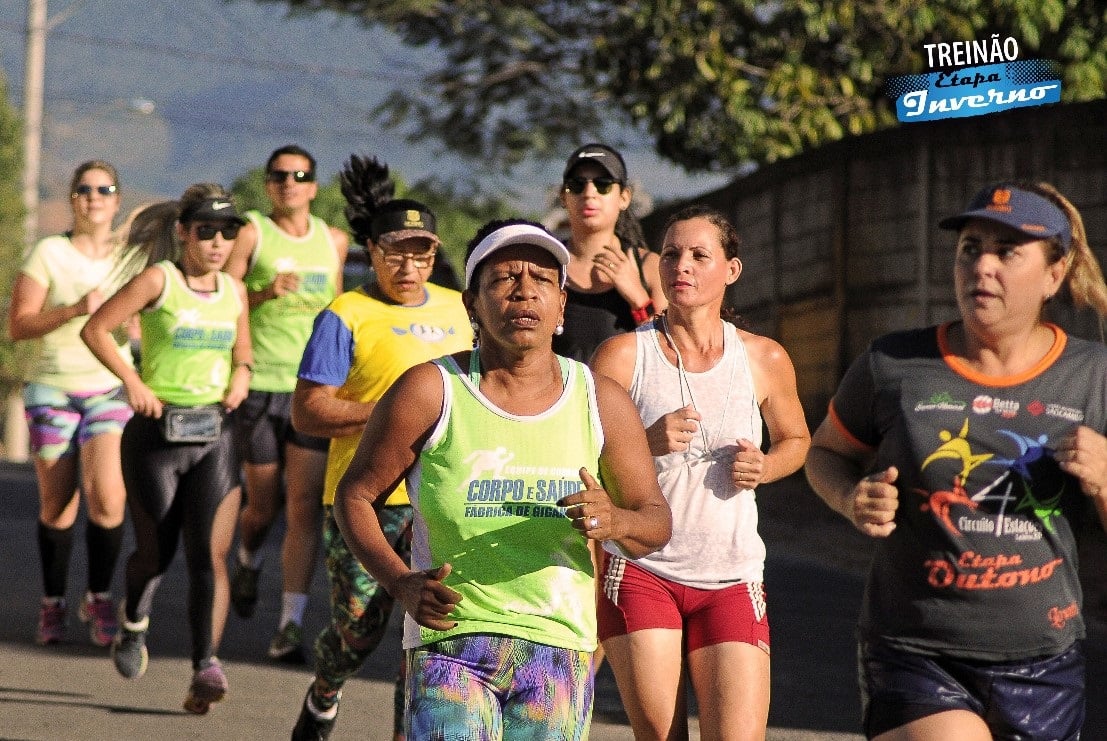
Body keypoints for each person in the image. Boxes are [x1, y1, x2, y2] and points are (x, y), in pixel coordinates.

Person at [333, 218, 673, 739]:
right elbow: (354, 495)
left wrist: (615, 518)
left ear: (562, 305)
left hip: (557, 649)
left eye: (541, 279)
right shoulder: (431, 389)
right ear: (472, 304)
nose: (524, 291)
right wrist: (399, 580)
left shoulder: (599, 399)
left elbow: (655, 524)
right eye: (504, 278)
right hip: (451, 644)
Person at [804, 181, 1107, 740]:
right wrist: (851, 498)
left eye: (1007, 251)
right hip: (916, 655)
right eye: (970, 248)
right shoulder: (893, 364)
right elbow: (824, 452)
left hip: (1045, 662)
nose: (981, 266)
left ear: (1054, 274)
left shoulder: (1094, 377)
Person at [590, 204, 811, 740]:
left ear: (731, 271)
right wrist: (646, 443)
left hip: (731, 575)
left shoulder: (763, 358)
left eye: (698, 255)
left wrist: (764, 466)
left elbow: (798, 440)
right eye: (670, 254)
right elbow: (578, 458)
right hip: (642, 570)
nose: (681, 266)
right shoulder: (623, 357)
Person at [289, 155, 473, 741]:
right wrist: (392, 418)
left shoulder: (460, 309)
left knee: (425, 629)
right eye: (395, 251)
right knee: (359, 630)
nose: (409, 264)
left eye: (420, 252)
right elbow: (308, 410)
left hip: (442, 500)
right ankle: (324, 691)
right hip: (366, 498)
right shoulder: (346, 314)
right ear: (371, 250)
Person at [80, 184, 253, 715]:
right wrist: (133, 382)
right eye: (207, 231)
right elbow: (97, 328)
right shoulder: (161, 279)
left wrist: (241, 377)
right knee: (156, 554)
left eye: (229, 232)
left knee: (209, 555)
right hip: (156, 434)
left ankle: (206, 665)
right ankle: (133, 623)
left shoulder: (234, 290)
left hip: (214, 435)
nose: (219, 242)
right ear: (183, 233)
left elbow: (243, 350)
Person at [224, 144, 350, 664]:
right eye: (278, 176)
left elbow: (342, 311)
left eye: (299, 176)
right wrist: (264, 293)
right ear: (269, 184)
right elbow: (222, 296)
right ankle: (249, 555)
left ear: (314, 186)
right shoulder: (253, 231)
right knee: (262, 504)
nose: (289, 183)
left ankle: (290, 625)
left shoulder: (334, 240)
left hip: (312, 387)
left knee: (303, 508)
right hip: (260, 383)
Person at [8, 160, 134, 648]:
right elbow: (19, 325)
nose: (94, 197)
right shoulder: (49, 253)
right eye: (84, 189)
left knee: (108, 498)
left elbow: (141, 318)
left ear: (117, 200)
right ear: (72, 198)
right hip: (53, 388)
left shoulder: (131, 258)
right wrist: (75, 310)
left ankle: (100, 596)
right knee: (58, 506)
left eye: (104, 189)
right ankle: (53, 601)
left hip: (108, 387)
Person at [553, 143, 668, 362]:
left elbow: (670, 352)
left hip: (627, 396)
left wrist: (638, 299)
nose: (589, 193)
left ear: (624, 197)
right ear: (563, 196)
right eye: (577, 185)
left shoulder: (650, 267)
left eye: (603, 185)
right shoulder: (547, 266)